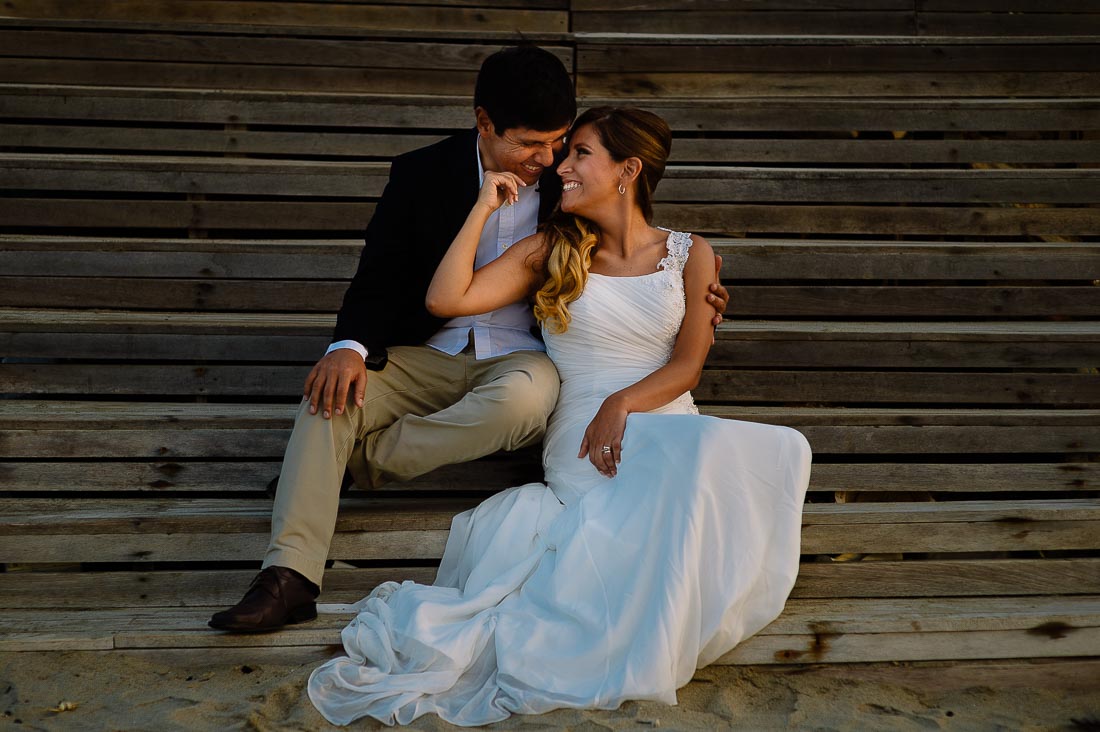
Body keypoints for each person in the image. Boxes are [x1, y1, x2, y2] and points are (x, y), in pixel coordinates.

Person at [306, 107, 812, 727]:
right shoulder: (553, 247)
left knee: (727, 456)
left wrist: (622, 403)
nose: (561, 168)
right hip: (580, 437)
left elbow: (687, 368)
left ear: (628, 170)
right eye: (565, 153)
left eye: (579, 155)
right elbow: (446, 299)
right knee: (636, 510)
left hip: (661, 416)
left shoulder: (692, 253)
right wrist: (483, 208)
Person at [208, 47, 730, 633]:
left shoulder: (573, 188)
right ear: (484, 123)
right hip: (429, 349)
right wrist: (348, 347)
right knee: (330, 395)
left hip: (523, 359)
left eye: (560, 143)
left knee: (524, 398)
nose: (550, 160)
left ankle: (351, 465)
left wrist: (687, 295)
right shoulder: (422, 174)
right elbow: (382, 275)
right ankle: (290, 578)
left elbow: (631, 241)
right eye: (530, 144)